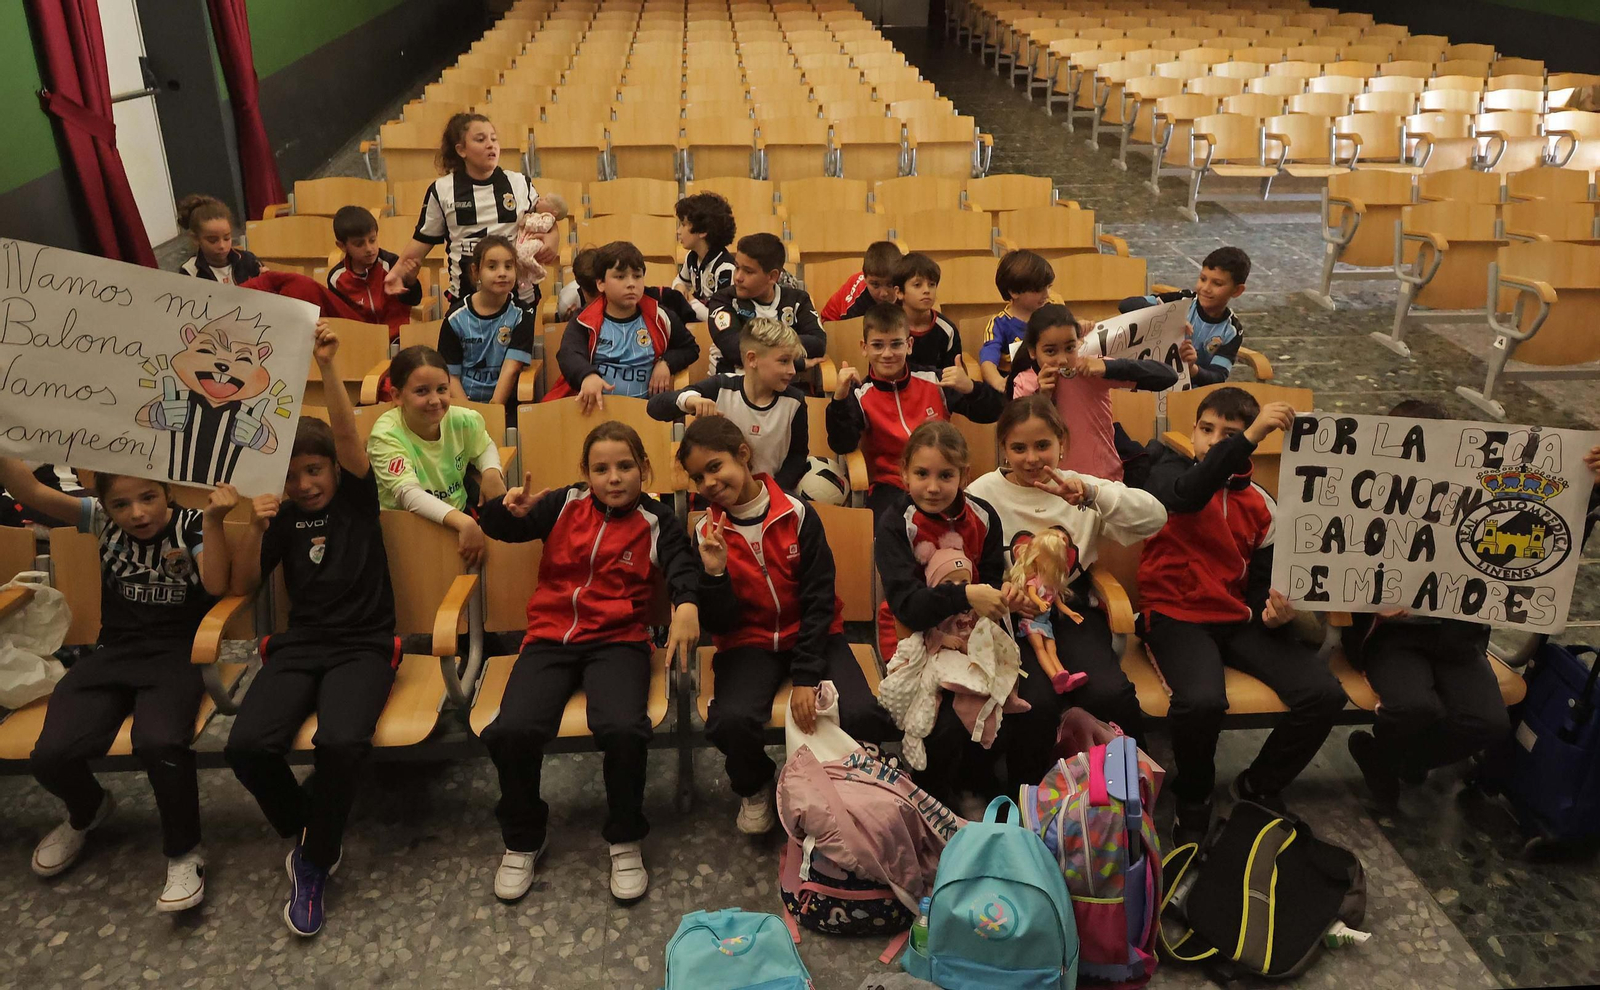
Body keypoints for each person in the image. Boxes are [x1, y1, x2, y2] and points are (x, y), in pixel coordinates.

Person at [476, 422, 701, 904]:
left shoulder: (657, 519)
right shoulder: (563, 504)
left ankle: (624, 836)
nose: (613, 478)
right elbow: (505, 527)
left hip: (618, 641)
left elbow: (682, 564)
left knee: (622, 727)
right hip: (549, 639)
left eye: (625, 467)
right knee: (513, 730)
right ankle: (523, 837)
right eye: (601, 469)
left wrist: (685, 604)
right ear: (585, 473)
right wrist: (502, 510)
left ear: (644, 469)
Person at [0, 459, 236, 911]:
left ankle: (184, 853)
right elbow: (27, 490)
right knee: (50, 754)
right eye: (121, 504)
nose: (137, 513)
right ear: (104, 504)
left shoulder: (191, 523)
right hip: (114, 653)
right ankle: (88, 809)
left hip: (176, 654)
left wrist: (215, 521)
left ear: (166, 491)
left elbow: (217, 583)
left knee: (160, 742)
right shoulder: (98, 519)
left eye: (148, 498)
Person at [224, 321, 397, 937]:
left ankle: (316, 860)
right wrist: (250, 522)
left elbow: (349, 441)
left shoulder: (354, 498)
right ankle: (312, 830)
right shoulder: (283, 515)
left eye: (315, 471)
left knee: (342, 744)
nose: (306, 483)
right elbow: (243, 584)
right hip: (300, 647)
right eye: (294, 475)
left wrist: (327, 368)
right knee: (244, 748)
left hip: (364, 645)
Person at [1136, 386, 1347, 846]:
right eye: (1205, 430)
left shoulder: (1263, 504)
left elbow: (1262, 582)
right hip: (1175, 614)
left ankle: (1257, 786)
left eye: (1227, 433)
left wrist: (1274, 613)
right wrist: (1248, 436)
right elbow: (1190, 493)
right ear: (1192, 432)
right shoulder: (1167, 472)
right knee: (1202, 702)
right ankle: (1194, 795)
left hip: (1235, 618)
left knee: (1324, 693)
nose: (1213, 441)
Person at [678, 416, 895, 833]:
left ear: (743, 454)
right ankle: (755, 785)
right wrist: (716, 575)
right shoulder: (706, 531)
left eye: (715, 466)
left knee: (864, 710)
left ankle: (854, 786)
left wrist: (804, 676)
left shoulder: (798, 514)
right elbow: (719, 622)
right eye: (697, 477)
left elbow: (818, 599)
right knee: (732, 720)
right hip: (747, 642)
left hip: (812, 635)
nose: (708, 482)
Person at [873, 422, 1055, 807]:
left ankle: (1016, 801)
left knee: (1032, 703)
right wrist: (967, 595)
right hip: (916, 635)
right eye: (921, 474)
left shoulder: (983, 515)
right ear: (904, 472)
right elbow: (907, 605)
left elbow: (990, 583)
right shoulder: (895, 523)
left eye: (946, 475)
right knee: (942, 727)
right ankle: (936, 802)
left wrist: (1006, 593)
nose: (933, 487)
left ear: (964, 476)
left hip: (976, 630)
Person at [1345, 399, 1512, 810]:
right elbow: (1329, 566)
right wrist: (1370, 600)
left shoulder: (1476, 501)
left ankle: (1390, 759)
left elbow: (1541, 549)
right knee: (1412, 707)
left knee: (1488, 722)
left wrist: (1588, 490)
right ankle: (1395, 757)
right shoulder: (1360, 497)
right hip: (1392, 636)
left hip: (1457, 635)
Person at [967, 396, 1162, 742]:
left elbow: (1155, 518)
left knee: (1110, 693)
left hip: (1070, 610)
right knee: (1033, 702)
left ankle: (1127, 782)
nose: (1031, 458)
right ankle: (1030, 790)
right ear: (1003, 449)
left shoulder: (1079, 488)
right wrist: (1001, 595)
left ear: (1062, 444)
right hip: (1010, 618)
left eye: (1043, 445)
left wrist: (1092, 495)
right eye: (1019, 448)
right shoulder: (981, 494)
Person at [829, 304, 1003, 520]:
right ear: (864, 348)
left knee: (980, 520)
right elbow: (842, 443)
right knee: (890, 531)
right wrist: (840, 398)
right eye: (877, 345)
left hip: (940, 479)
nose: (887, 353)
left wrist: (971, 388)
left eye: (896, 344)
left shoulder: (934, 381)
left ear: (909, 344)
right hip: (891, 485)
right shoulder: (860, 393)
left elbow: (993, 411)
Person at [386, 113, 560, 311]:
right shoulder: (442, 190)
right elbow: (421, 240)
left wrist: (554, 237)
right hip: (465, 298)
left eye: (494, 139)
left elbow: (546, 219)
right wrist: (397, 272)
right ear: (461, 150)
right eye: (480, 139)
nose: (490, 144)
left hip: (518, 297)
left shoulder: (519, 183)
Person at [366, 345, 506, 568]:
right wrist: (463, 522)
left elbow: (484, 445)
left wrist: (490, 470)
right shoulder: (385, 435)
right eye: (422, 391)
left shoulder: (462, 419)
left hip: (456, 516)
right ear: (397, 396)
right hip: (405, 529)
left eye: (442, 389)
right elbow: (408, 494)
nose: (435, 400)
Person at [1009, 303, 1178, 481]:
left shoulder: (1091, 369)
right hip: (1051, 483)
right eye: (1050, 351)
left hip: (1103, 480)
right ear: (1032, 352)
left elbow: (1168, 376)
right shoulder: (1024, 382)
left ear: (1078, 343)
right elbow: (1022, 440)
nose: (1062, 359)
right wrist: (1042, 398)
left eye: (1070, 348)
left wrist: (1109, 366)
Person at [647, 317, 809, 491]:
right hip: (716, 495)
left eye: (793, 362)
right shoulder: (720, 387)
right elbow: (654, 407)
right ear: (752, 359)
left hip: (769, 495)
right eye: (784, 361)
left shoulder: (795, 402)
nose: (792, 370)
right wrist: (690, 400)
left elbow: (797, 457)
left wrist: (771, 491)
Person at [549, 240, 700, 410]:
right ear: (601, 283)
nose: (631, 284)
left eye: (637, 276)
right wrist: (587, 375)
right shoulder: (584, 320)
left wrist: (666, 363)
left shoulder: (660, 316)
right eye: (620, 277)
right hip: (595, 411)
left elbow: (690, 348)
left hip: (646, 413)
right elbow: (568, 354)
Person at [1119, 246, 1249, 388]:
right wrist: (1169, 318)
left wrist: (1192, 368)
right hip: (1148, 380)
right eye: (1203, 279)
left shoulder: (1231, 331)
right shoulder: (1182, 300)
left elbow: (1217, 377)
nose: (1205, 288)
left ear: (1237, 290)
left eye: (1217, 283)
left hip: (1189, 392)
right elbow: (1127, 305)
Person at [706, 233, 825, 374]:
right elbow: (735, 351)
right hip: (730, 385)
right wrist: (795, 361)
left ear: (772, 276)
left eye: (748, 271)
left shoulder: (798, 300)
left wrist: (760, 345)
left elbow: (817, 343)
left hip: (782, 388)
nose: (738, 277)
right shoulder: (723, 300)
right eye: (737, 268)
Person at [438, 235, 534, 404]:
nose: (502, 273)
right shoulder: (455, 318)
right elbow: (450, 376)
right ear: (476, 272)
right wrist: (468, 414)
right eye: (492, 266)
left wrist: (493, 413)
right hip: (463, 406)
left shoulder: (522, 315)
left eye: (508, 266)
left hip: (505, 405)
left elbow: (511, 370)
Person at [326, 205, 421, 334]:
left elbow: (414, 300)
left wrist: (411, 281)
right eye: (359, 244)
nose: (369, 248)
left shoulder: (392, 264)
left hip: (397, 338)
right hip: (361, 341)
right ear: (342, 246)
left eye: (372, 240)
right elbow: (339, 317)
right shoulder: (336, 278)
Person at [978, 249, 1055, 392]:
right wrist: (999, 382)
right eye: (1038, 290)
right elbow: (988, 359)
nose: (1047, 294)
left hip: (1050, 381)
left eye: (1048, 287)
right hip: (1017, 387)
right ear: (1014, 292)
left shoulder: (1052, 312)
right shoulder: (999, 323)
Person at [672, 191, 738, 320]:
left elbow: (719, 319)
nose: (678, 231)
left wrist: (690, 301)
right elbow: (680, 281)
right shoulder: (691, 257)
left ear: (702, 231)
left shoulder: (726, 269)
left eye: (683, 225)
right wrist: (678, 287)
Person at [894, 252, 963, 372]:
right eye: (917, 285)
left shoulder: (947, 330)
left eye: (932, 284)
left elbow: (951, 378)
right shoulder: (886, 326)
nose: (926, 290)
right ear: (899, 292)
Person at [176, 194, 261, 284]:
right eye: (213, 240)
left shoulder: (248, 260)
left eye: (227, 238)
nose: (222, 246)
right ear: (196, 239)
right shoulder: (190, 271)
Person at [819, 240, 904, 322]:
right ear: (865, 279)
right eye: (875, 285)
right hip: (834, 325)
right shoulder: (855, 304)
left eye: (890, 284)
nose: (883, 293)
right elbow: (848, 331)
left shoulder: (907, 288)